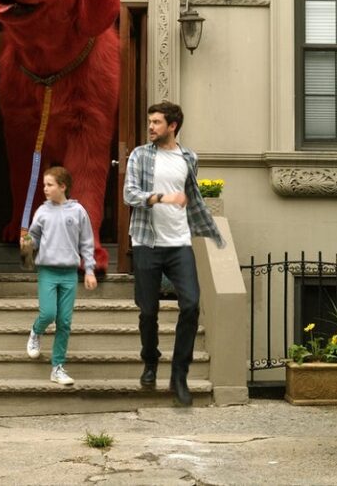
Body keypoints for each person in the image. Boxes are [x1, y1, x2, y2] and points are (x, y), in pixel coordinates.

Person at [123, 102, 225, 406]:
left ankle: (179, 374)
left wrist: (209, 230)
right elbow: (129, 193)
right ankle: (150, 361)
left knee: (191, 305)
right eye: (150, 121)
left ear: (172, 126)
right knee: (148, 311)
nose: (151, 127)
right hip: (146, 242)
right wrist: (163, 197)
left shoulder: (189, 158)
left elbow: (192, 197)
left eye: (156, 122)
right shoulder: (140, 155)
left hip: (179, 243)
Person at [21, 166, 98, 385]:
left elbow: (86, 242)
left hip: (69, 273)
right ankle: (36, 332)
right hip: (47, 271)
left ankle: (57, 367)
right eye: (44, 184)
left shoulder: (78, 211)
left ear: (62, 186)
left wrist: (89, 270)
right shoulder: (42, 212)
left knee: (64, 321)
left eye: (49, 185)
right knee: (48, 314)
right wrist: (27, 243)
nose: (45, 189)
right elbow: (34, 237)